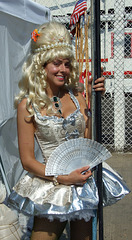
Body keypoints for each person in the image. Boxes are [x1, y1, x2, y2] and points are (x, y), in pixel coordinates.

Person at [8, 21, 105, 240]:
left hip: (81, 182)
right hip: (52, 184)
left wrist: (91, 104)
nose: (63, 69)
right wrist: (63, 177)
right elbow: (28, 161)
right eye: (56, 63)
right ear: (41, 65)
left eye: (67, 64)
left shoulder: (77, 95)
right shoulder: (28, 105)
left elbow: (85, 143)